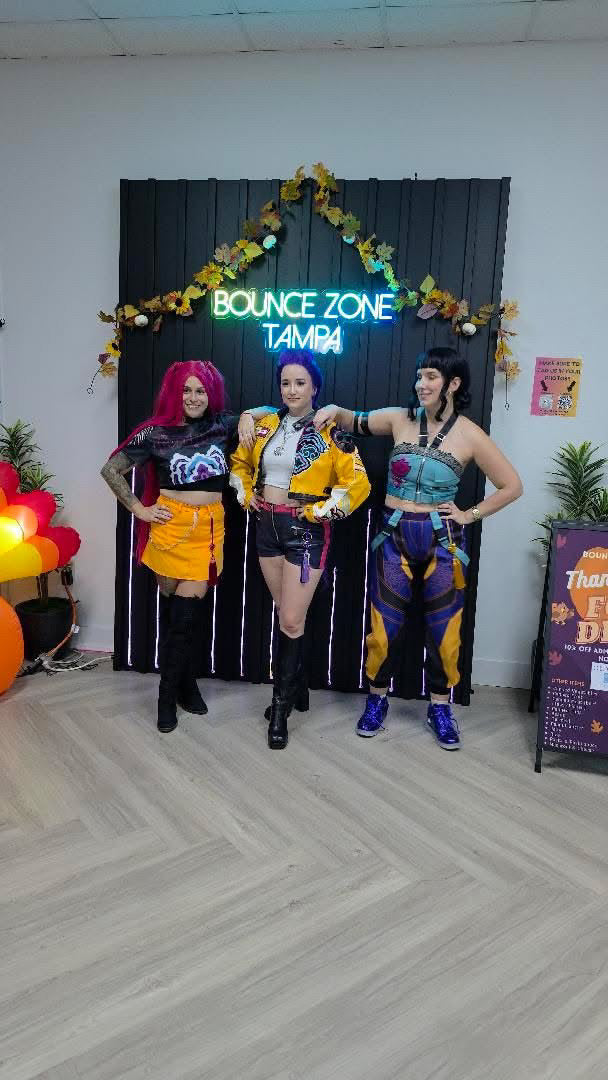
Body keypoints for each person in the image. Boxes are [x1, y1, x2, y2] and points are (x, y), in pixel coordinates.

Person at [314, 346, 523, 749]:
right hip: (393, 535)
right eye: (419, 375)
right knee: (383, 628)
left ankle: (440, 707)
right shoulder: (399, 418)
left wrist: (469, 514)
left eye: (430, 376)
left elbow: (512, 486)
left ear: (453, 383)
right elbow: (352, 420)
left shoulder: (470, 434)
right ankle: (377, 700)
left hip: (443, 541)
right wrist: (333, 410)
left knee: (445, 631)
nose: (421, 384)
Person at [100, 359, 264, 734]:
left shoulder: (223, 425)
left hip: (208, 531)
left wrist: (248, 415)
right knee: (175, 617)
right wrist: (139, 509)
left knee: (186, 617)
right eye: (186, 390)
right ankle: (186, 684)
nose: (193, 397)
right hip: (169, 530)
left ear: (211, 393)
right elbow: (110, 469)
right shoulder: (155, 432)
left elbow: (270, 413)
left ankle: (166, 695)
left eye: (200, 390)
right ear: (175, 392)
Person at [230, 348, 371, 749]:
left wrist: (321, 511)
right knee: (287, 615)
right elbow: (239, 464)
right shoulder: (265, 424)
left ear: (315, 388)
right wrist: (245, 493)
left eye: (300, 383)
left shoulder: (330, 430)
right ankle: (299, 688)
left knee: (291, 620)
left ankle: (280, 709)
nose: (292, 390)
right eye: (286, 383)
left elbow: (358, 483)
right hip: (266, 527)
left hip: (305, 531)